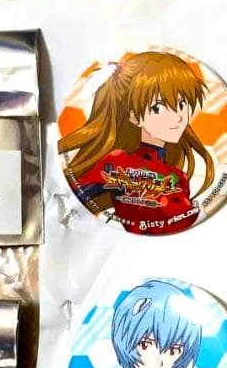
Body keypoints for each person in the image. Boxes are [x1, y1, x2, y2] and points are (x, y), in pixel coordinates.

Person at [58, 51, 214, 235]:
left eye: (181, 104)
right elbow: (72, 198)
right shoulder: (117, 164)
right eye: (158, 108)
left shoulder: (178, 177)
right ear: (134, 117)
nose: (178, 117)